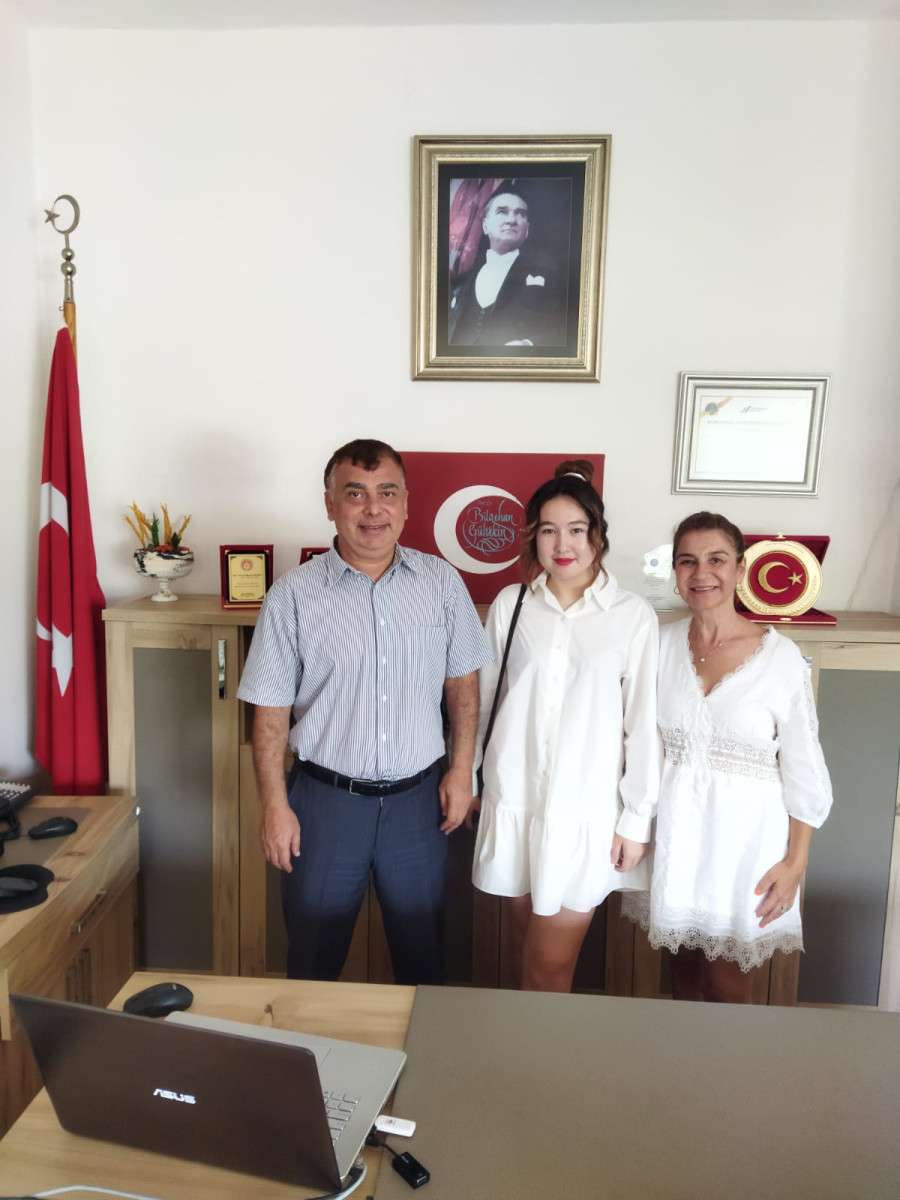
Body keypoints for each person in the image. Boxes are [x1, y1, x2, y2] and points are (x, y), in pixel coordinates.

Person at [237, 438, 490, 985]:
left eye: (387, 493)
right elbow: (271, 714)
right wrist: (275, 806)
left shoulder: (442, 583)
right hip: (324, 806)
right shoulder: (292, 596)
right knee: (312, 964)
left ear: (406, 504)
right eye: (355, 494)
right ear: (330, 504)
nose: (373, 509)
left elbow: (463, 687)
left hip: (419, 806)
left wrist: (461, 770)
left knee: (424, 964)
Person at [623, 512, 833, 1003]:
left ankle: (732, 1058)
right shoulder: (658, 644)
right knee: (682, 974)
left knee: (727, 985)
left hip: (745, 847)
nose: (702, 573)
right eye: (687, 561)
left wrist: (796, 861)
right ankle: (685, 1057)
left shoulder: (779, 658)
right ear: (675, 572)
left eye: (716, 560)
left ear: (740, 568)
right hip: (676, 836)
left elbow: (804, 767)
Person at [472, 460, 660, 992]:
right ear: (534, 536)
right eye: (549, 530)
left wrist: (636, 819)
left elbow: (642, 722)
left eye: (576, 530)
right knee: (525, 950)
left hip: (584, 812)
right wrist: (472, 778)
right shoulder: (511, 605)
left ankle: (539, 1047)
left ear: (598, 535)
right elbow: (485, 702)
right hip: (515, 800)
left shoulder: (631, 614)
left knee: (549, 966)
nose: (563, 545)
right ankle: (529, 1042)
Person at [448, 189, 566, 348]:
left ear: (527, 230)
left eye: (520, 214)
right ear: (485, 226)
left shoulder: (549, 272)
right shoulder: (463, 281)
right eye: (502, 212)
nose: (511, 220)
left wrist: (529, 344)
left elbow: (564, 329)